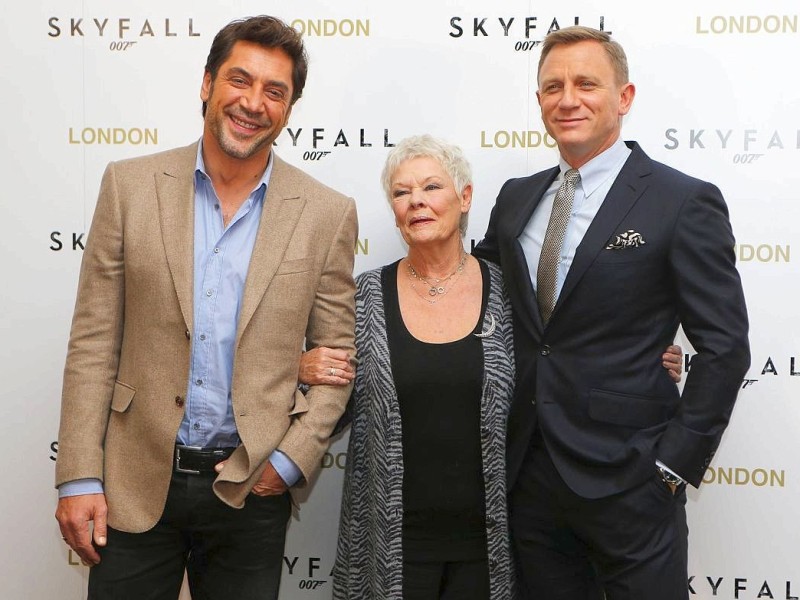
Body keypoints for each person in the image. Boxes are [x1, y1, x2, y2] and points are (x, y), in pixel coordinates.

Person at [299, 135, 684, 600]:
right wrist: (304, 370)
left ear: (464, 198)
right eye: (401, 193)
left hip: (496, 543)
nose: (416, 201)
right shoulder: (363, 298)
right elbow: (332, 405)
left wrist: (644, 357)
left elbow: (565, 353)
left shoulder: (512, 292)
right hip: (390, 542)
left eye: (431, 187)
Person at [54, 16, 358, 600]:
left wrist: (290, 462)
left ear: (290, 108)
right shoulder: (128, 187)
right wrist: (78, 475)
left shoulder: (326, 213)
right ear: (206, 84)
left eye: (275, 91)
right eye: (239, 80)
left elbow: (336, 360)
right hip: (133, 480)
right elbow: (93, 343)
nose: (253, 103)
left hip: (249, 487)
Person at [472, 26, 750, 600]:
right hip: (529, 475)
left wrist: (673, 467)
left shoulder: (682, 200)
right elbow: (475, 291)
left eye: (585, 83)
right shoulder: (516, 198)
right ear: (540, 101)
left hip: (634, 480)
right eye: (552, 86)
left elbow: (724, 346)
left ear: (623, 98)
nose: (567, 98)